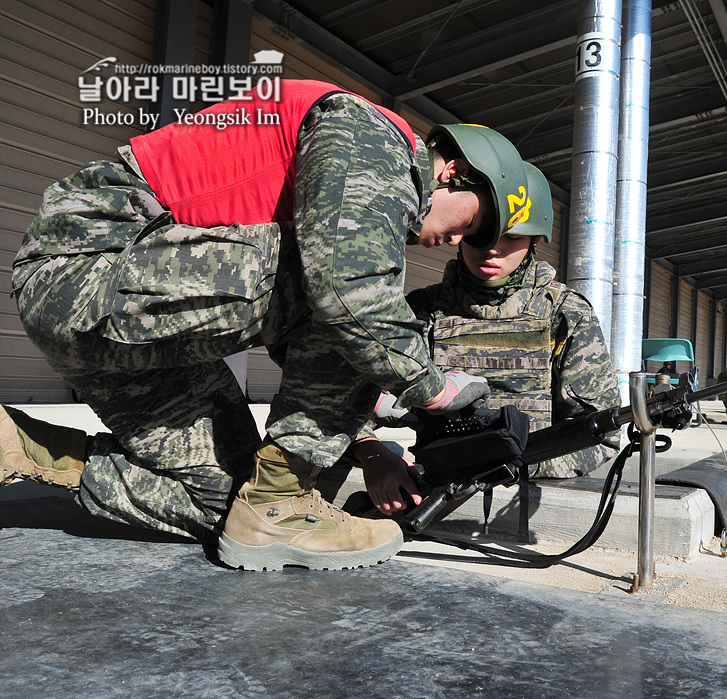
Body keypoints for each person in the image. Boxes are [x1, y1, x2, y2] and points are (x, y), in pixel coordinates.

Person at [1, 79, 532, 572]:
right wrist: (430, 388)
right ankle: (279, 502)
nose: (469, 242)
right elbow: (342, 292)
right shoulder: (374, 133)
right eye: (479, 224)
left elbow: (303, 334)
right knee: (356, 285)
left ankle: (25, 447)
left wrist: (367, 431)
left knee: (226, 503)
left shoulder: (354, 184)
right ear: (453, 171)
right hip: (83, 268)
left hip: (124, 313)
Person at [350, 163, 621, 515]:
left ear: (536, 239)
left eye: (511, 236)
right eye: (483, 236)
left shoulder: (564, 314)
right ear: (461, 231)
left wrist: (511, 462)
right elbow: (345, 406)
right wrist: (372, 453)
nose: (492, 250)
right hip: (427, 490)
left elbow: (599, 433)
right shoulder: (422, 311)